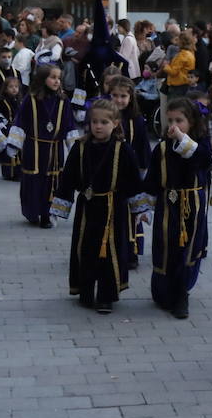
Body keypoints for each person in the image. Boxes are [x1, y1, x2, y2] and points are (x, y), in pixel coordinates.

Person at [51, 99, 152, 314]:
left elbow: (133, 180)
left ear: (115, 123)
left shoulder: (122, 149)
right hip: (87, 208)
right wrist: (61, 206)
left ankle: (107, 296)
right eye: (94, 121)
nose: (98, 126)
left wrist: (140, 209)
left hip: (113, 209)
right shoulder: (79, 147)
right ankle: (86, 291)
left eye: (104, 122)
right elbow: (68, 177)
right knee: (85, 249)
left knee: (109, 252)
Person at [143, 97, 212, 318]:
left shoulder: (199, 144)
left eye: (180, 120)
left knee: (188, 249)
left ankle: (182, 293)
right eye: (171, 120)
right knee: (166, 246)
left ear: (191, 122)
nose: (174, 125)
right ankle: (164, 290)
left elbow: (205, 160)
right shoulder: (162, 148)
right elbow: (153, 179)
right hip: (167, 205)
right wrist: (145, 207)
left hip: (192, 205)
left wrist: (183, 140)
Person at [10, 64, 76, 228]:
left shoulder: (63, 100)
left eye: (58, 78)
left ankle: (47, 214)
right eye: (52, 77)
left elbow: (69, 125)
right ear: (42, 79)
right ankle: (32, 212)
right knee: (33, 180)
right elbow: (21, 120)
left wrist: (74, 148)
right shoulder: (30, 98)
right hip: (34, 147)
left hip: (55, 148)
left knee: (52, 182)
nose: (56, 81)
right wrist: (14, 143)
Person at [106, 74, 152, 268]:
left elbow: (143, 146)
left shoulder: (136, 119)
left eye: (123, 96)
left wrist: (143, 173)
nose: (119, 100)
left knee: (133, 212)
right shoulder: (104, 117)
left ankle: (131, 251)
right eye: (115, 95)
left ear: (131, 97)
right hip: (109, 173)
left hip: (131, 174)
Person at [0, 67, 25, 182]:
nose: (14, 89)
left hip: (19, 129)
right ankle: (8, 173)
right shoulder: (2, 101)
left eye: (16, 87)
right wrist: (1, 123)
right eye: (11, 87)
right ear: (5, 89)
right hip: (7, 128)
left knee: (19, 151)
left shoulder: (21, 100)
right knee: (9, 150)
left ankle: (18, 173)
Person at [163, 31, 196, 99]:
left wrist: (165, 65)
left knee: (173, 106)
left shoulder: (182, 55)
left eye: (178, 39)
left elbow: (173, 72)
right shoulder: (191, 53)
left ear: (182, 42)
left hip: (177, 85)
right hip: (185, 83)